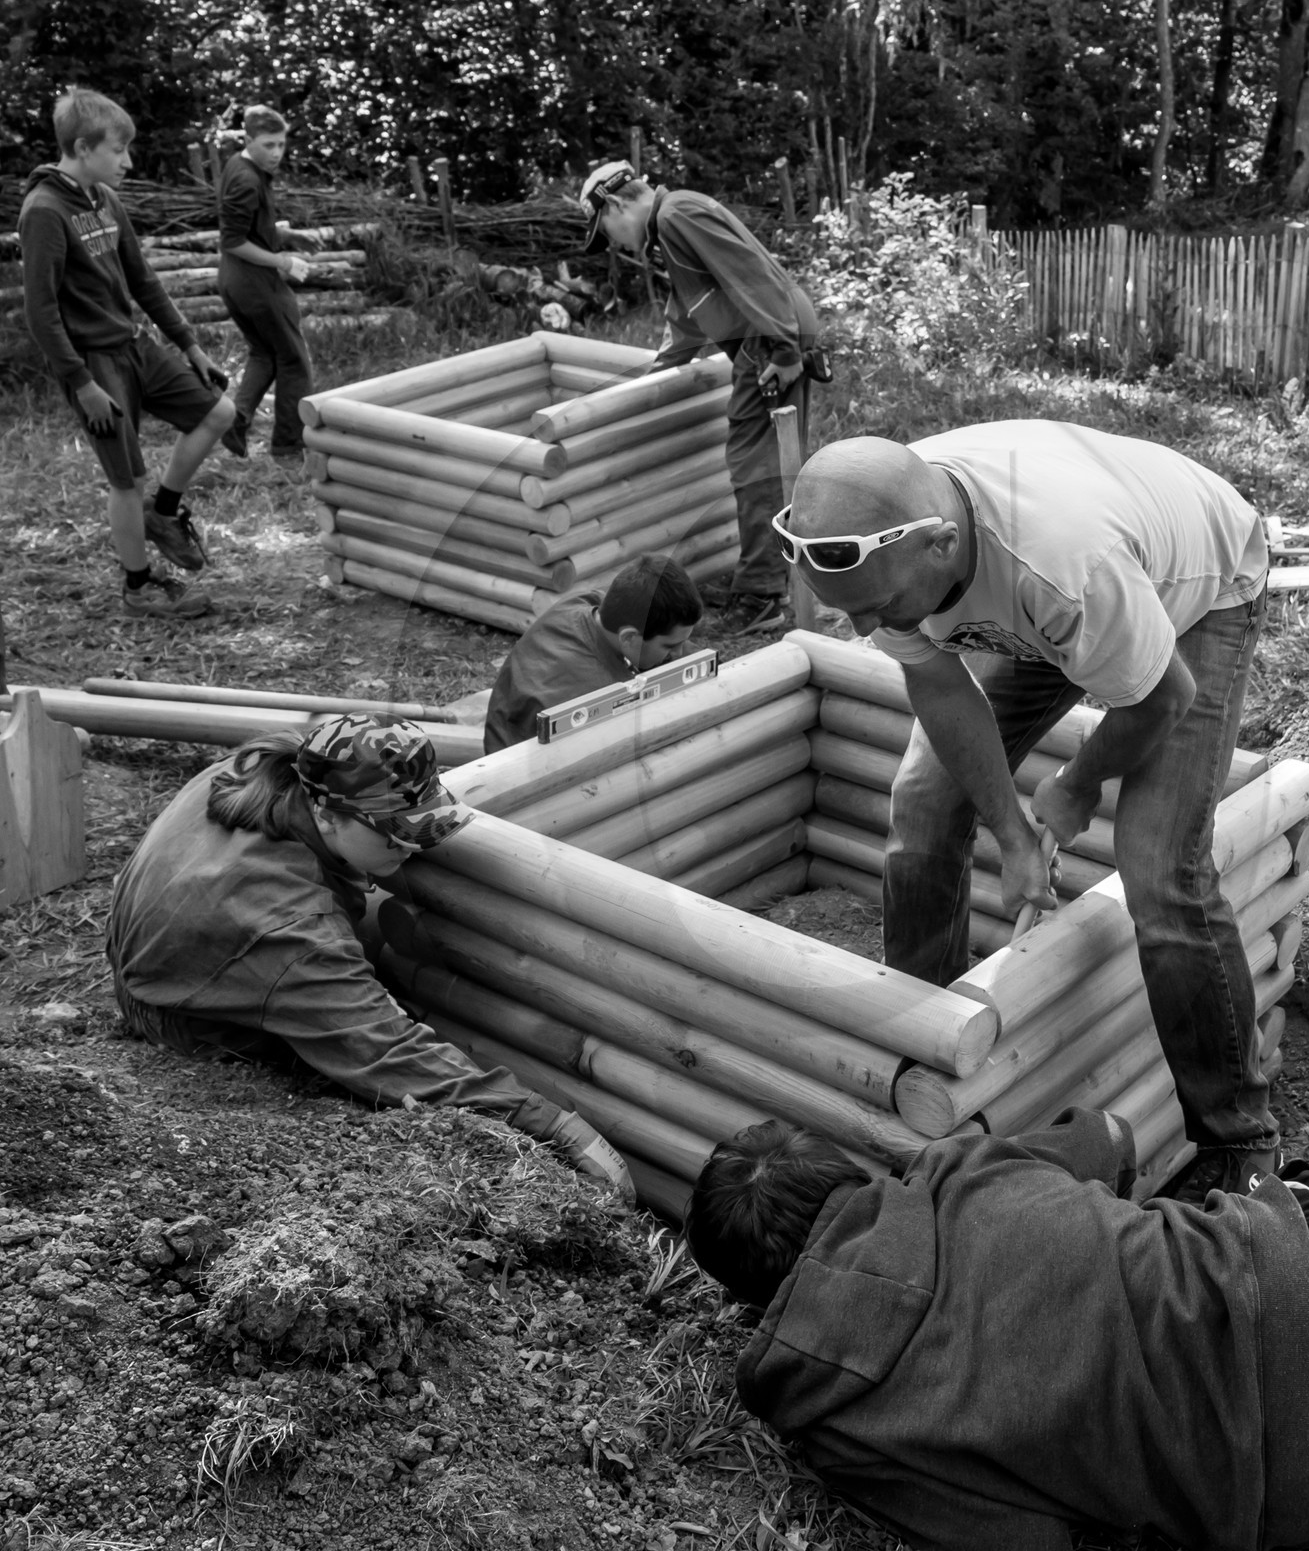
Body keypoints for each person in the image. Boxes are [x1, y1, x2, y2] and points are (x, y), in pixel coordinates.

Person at [688, 1112, 1309, 1551]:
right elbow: (1109, 1134)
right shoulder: (957, 1174)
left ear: (747, 1295)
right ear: (848, 1175)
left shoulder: (836, 1421)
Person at [780, 421, 1274, 1201]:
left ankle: (1239, 1135)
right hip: (1054, 611)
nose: (868, 630)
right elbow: (941, 688)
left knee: (1158, 871)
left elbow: (1162, 699)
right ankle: (927, 1043)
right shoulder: (883, 533)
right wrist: (1011, 833)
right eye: (852, 615)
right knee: (923, 801)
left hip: (1202, 592)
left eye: (878, 610)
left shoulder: (1063, 566)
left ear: (941, 547)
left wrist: (1077, 784)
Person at [105, 714, 634, 1200]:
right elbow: (388, 1053)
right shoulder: (293, 932)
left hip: (168, 945)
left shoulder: (265, 766)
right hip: (187, 1018)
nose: (411, 846)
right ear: (326, 813)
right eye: (392, 831)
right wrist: (551, 1125)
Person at [581, 159, 822, 637]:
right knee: (761, 463)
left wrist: (786, 348)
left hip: (769, 344)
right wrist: (655, 375)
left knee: (755, 467)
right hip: (768, 340)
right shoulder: (671, 226)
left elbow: (749, 274)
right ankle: (768, 577)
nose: (612, 244)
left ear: (614, 203)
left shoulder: (677, 215)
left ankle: (759, 596)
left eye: (604, 230)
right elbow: (690, 314)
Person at [20, 89, 235, 619]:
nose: (128, 161)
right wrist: (82, 384)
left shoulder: (104, 200)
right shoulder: (45, 210)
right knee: (125, 477)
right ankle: (138, 590)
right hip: (94, 364)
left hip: (135, 345)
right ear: (82, 146)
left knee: (219, 412)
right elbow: (40, 313)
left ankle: (162, 513)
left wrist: (189, 345)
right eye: (118, 151)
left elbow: (142, 279)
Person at [483, 553, 702, 754]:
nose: (679, 652)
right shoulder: (593, 696)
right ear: (628, 638)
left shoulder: (589, 604)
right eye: (670, 646)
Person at [216, 105, 315, 462]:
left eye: (281, 145)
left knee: (266, 353)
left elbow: (251, 229)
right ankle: (289, 448)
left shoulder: (240, 166)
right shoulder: (245, 179)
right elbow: (233, 240)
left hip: (235, 281)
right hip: (254, 283)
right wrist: (282, 261)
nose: (276, 153)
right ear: (248, 140)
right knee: (294, 361)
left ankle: (235, 422)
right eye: (268, 145)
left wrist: (289, 235)